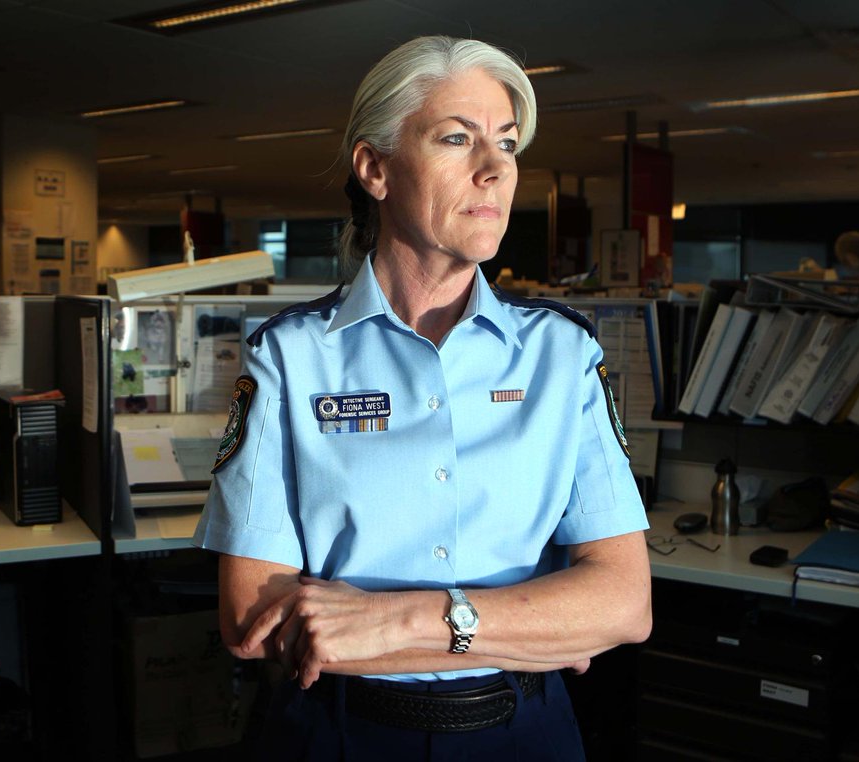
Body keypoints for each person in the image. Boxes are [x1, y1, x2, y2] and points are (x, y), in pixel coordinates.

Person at [193, 35, 651, 760]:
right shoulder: (291, 355)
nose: (495, 167)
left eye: (507, 143)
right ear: (375, 169)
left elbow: (625, 606)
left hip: (523, 735)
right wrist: (539, 628)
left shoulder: (562, 355)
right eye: (456, 138)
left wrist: (405, 620)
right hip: (340, 733)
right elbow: (250, 619)